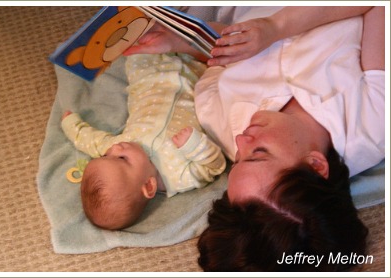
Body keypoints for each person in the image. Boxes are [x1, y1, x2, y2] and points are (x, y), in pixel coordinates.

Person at [124, 6, 385, 271]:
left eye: (237, 160)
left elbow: (223, 50)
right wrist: (277, 27)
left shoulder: (219, 120)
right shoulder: (373, 122)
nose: (240, 141)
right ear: (316, 166)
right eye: (259, 153)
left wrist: (184, 39)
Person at [61, 53, 226, 230]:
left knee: (139, 49)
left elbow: (91, 141)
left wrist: (71, 125)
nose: (115, 148)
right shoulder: (179, 177)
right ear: (149, 185)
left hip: (150, 80)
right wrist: (194, 145)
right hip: (198, 78)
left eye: (105, 154)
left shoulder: (119, 147)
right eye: (121, 159)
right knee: (221, 61)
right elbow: (214, 167)